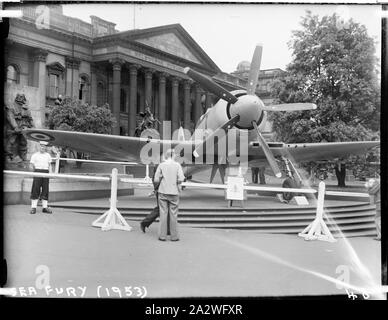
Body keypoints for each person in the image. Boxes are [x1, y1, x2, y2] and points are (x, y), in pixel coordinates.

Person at [153, 149, 185, 241]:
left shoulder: (161, 165)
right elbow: (181, 178)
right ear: (173, 155)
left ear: (166, 156)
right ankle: (174, 237)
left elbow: (156, 179)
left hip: (162, 191)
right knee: (174, 214)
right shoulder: (177, 165)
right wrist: (176, 182)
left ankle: (162, 236)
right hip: (174, 192)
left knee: (163, 214)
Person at [5, 93, 34, 162]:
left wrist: (33, 127)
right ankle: (8, 156)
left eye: (22, 97)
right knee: (11, 142)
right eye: (19, 97)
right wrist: (15, 127)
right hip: (14, 129)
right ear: (17, 97)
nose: (21, 99)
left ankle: (23, 157)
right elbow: (10, 117)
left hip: (23, 128)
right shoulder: (11, 106)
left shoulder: (26, 108)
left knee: (24, 143)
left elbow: (30, 118)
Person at [29, 141, 53, 214]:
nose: (42, 147)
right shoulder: (35, 155)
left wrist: (51, 173)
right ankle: (33, 208)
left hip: (46, 172)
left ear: (46, 147)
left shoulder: (48, 155)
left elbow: (50, 165)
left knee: (45, 189)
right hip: (37, 172)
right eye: (41, 146)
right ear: (39, 147)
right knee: (35, 189)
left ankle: (44, 208)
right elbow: (31, 165)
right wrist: (32, 173)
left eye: (44, 146)